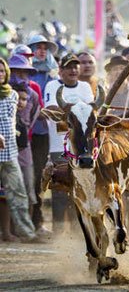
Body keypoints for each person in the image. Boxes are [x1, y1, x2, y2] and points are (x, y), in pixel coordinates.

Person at [44, 54, 94, 234]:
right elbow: (50, 109)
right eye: (69, 67)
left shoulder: (85, 86)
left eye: (75, 67)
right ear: (61, 71)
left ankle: (77, 229)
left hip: (82, 148)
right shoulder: (52, 86)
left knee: (81, 187)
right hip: (59, 146)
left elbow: (89, 111)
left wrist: (69, 111)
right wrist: (76, 111)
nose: (73, 70)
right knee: (59, 188)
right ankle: (57, 230)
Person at [0, 58, 40, 243]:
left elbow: (11, 121)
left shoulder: (12, 95)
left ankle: (27, 232)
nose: (0, 74)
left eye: (2, 71)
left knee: (19, 193)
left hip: (10, 153)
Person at [27, 34, 58, 236]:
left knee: (44, 176)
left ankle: (40, 221)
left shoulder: (53, 77)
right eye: (38, 47)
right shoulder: (25, 74)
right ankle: (28, 221)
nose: (42, 51)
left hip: (47, 135)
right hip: (28, 134)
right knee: (29, 176)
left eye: (45, 48)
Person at [8, 55, 40, 216]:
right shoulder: (3, 93)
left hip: (23, 147)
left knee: (28, 184)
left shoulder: (33, 95)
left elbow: (33, 118)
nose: (20, 75)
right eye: (16, 71)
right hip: (4, 146)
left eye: (24, 72)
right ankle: (7, 230)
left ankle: (28, 228)